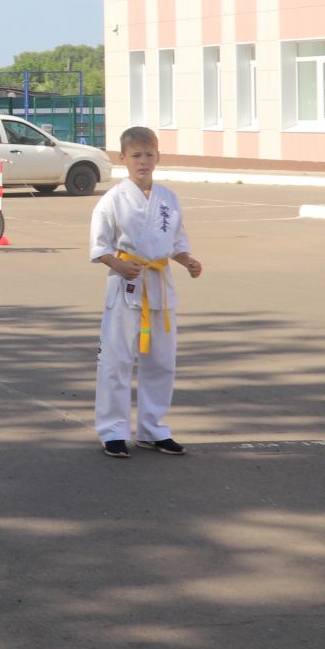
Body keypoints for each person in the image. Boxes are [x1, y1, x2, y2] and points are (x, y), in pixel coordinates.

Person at [89, 126, 202, 459]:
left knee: (161, 360)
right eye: (136, 155)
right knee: (117, 360)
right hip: (126, 282)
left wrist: (187, 261)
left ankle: (154, 429)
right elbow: (99, 246)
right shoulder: (112, 200)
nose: (143, 161)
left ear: (158, 156)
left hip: (160, 285)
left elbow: (177, 242)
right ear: (122, 159)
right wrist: (119, 265)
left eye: (149, 154)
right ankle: (113, 431)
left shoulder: (168, 198)